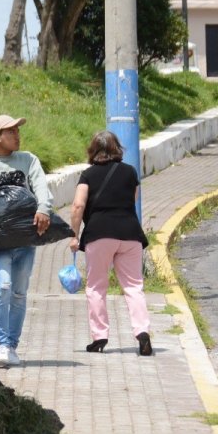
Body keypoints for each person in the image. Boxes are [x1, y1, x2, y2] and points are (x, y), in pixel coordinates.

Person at [0, 114, 52, 367]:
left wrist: (44, 210)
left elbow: (41, 187)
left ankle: (12, 346)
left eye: (18, 130)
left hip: (25, 237)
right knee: (3, 285)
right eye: (11, 131)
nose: (17, 135)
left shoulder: (28, 160)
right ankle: (3, 344)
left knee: (18, 292)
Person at [68, 130, 153, 356]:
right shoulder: (130, 172)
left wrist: (74, 235)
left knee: (96, 287)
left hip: (100, 234)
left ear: (93, 151)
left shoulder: (87, 175)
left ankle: (100, 337)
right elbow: (132, 200)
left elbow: (77, 205)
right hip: (130, 234)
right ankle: (142, 333)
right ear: (117, 150)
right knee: (134, 287)